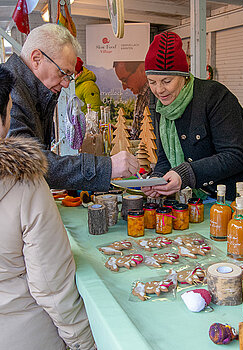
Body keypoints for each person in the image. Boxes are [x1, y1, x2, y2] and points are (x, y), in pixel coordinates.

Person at [142, 31, 243, 211]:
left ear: (183, 75)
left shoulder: (214, 96)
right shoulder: (162, 107)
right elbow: (165, 157)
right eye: (152, 82)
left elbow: (234, 155)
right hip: (214, 194)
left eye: (167, 81)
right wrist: (157, 179)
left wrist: (185, 174)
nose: (159, 90)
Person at [0, 66, 95, 350]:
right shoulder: (23, 181)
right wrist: (86, 343)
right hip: (24, 334)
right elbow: (52, 286)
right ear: (6, 112)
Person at [3, 23, 139, 191]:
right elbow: (28, 163)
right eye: (62, 73)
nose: (67, 84)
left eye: (70, 76)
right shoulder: (9, 93)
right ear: (37, 59)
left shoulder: (28, 89)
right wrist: (106, 166)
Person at [113, 61, 150, 139]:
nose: (124, 87)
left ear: (141, 69)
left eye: (125, 80)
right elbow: (138, 133)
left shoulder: (153, 97)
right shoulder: (141, 95)